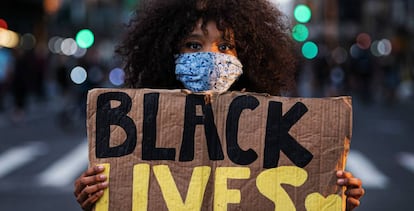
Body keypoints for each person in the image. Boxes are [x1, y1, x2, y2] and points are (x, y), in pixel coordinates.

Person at [74, 0, 364, 210]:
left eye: (225, 47)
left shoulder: (268, 129)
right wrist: (99, 199)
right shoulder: (141, 127)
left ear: (247, 56)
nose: (210, 56)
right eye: (193, 44)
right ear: (167, 52)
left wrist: (331, 197)